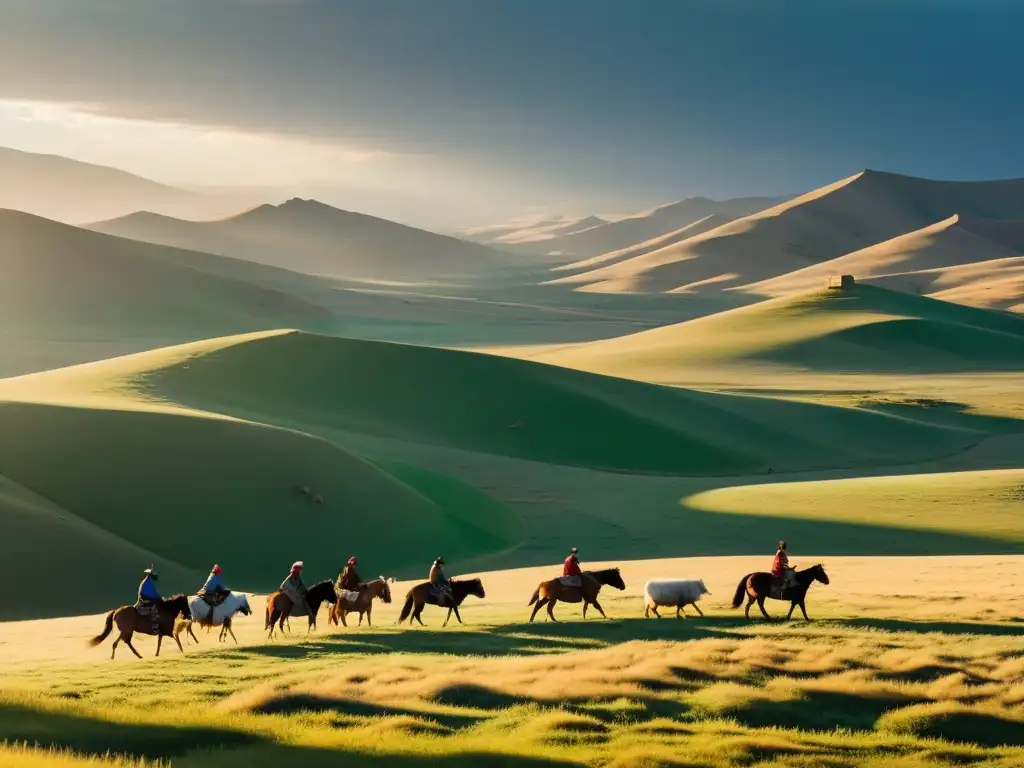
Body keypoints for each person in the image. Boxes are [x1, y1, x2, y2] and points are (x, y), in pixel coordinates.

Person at [136, 566, 161, 633]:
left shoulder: (147, 581)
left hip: (145, 598)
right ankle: (154, 628)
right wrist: (159, 598)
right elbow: (152, 594)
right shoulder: (147, 583)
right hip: (144, 600)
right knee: (155, 609)